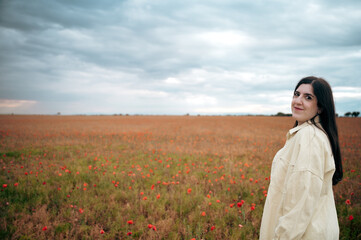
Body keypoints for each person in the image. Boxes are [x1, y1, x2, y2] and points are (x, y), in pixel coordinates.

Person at [259, 76, 343, 240]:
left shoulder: (309, 138)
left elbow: (300, 204)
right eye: (296, 94)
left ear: (320, 107)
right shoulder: (310, 134)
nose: (298, 101)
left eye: (308, 97)